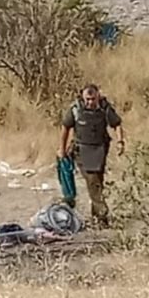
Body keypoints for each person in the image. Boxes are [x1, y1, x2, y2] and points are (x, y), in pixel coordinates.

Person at [59, 83, 125, 227]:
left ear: (98, 96)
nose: (90, 102)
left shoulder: (104, 108)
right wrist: (62, 150)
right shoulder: (75, 109)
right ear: (82, 97)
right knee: (92, 180)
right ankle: (102, 215)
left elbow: (117, 124)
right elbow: (65, 128)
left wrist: (120, 142)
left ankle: (96, 216)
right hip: (81, 151)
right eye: (87, 99)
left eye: (93, 99)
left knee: (97, 181)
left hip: (100, 150)